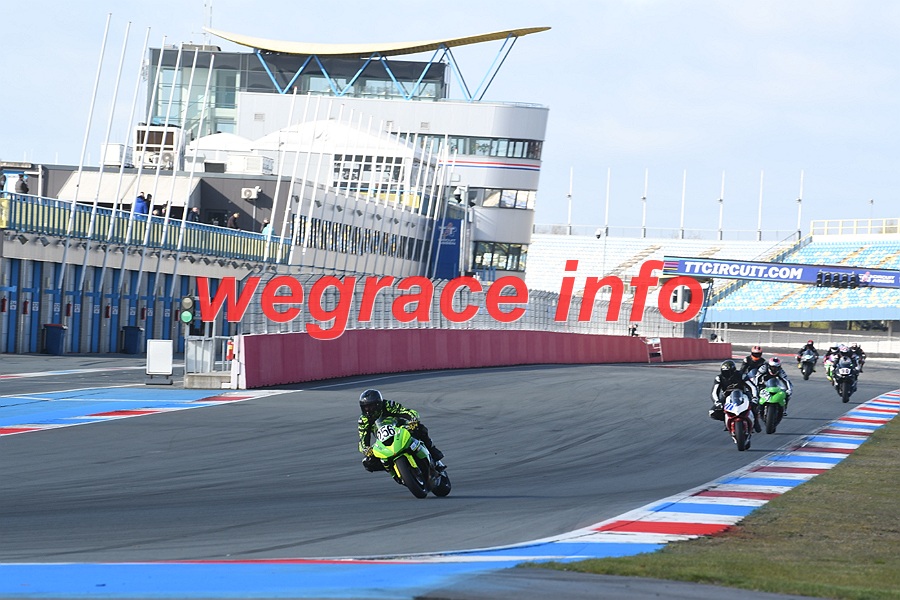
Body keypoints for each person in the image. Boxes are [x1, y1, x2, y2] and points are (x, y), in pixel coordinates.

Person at [357, 388, 445, 472]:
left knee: (420, 428)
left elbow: (405, 411)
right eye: (365, 407)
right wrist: (366, 449)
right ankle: (393, 469)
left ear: (378, 404)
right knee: (368, 462)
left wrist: (413, 420)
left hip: (400, 429)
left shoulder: (388, 405)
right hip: (382, 440)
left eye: (371, 406)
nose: (368, 410)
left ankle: (434, 454)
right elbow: (363, 439)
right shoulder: (363, 420)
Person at [709, 360, 760, 432]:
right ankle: (727, 420)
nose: (726, 374)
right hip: (727, 396)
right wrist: (717, 402)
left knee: (754, 405)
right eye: (724, 372)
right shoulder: (719, 378)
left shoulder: (741, 375)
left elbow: (752, 386)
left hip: (743, 394)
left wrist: (754, 397)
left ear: (733, 371)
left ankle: (756, 423)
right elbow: (714, 392)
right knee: (713, 412)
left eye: (728, 372)